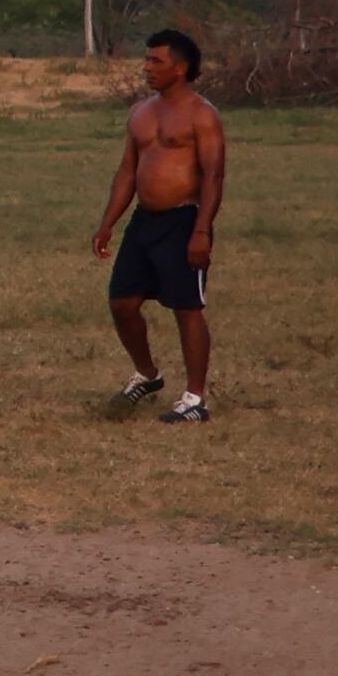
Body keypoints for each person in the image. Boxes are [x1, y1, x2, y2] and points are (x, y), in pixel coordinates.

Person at [89, 27, 225, 419]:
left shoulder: (203, 115)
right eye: (146, 59)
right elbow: (127, 173)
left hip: (184, 220)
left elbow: (214, 176)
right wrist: (107, 223)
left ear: (180, 68)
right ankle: (147, 374)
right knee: (122, 303)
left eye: (156, 61)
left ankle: (195, 399)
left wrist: (202, 230)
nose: (146, 67)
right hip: (143, 222)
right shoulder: (140, 112)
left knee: (187, 308)